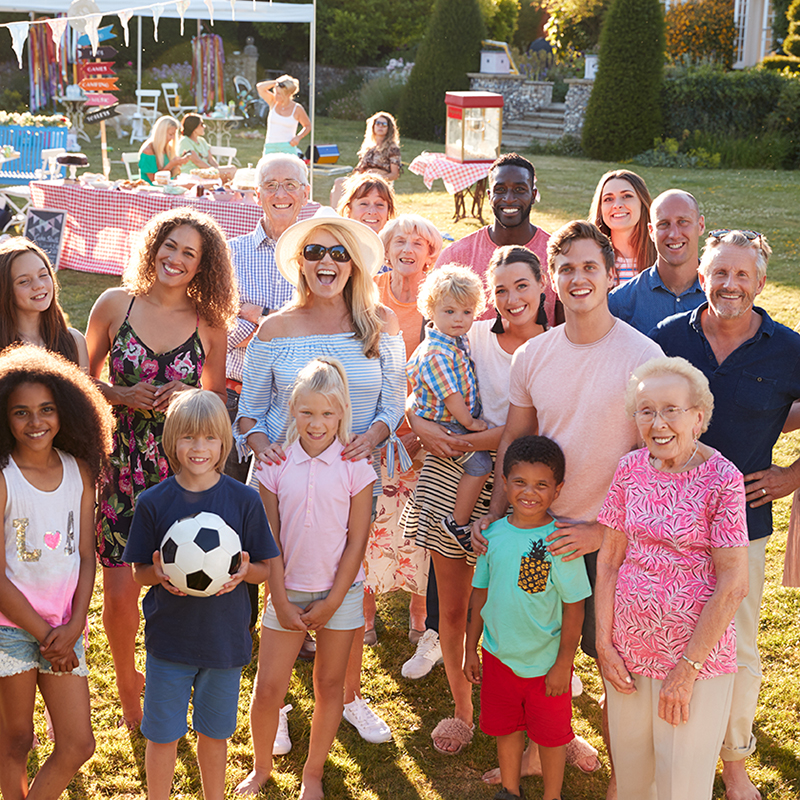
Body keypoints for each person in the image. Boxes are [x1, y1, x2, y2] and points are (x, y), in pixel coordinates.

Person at [471, 222, 662, 796]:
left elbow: (655, 462)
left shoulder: (642, 355)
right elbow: (515, 439)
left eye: (589, 267)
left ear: (610, 274)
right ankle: (532, 753)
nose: (578, 278)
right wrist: (498, 515)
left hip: (612, 541)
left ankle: (625, 777)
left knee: (614, 663)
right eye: (567, 269)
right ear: (553, 279)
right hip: (541, 537)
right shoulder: (533, 355)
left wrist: (605, 530)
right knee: (533, 647)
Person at [234, 206, 405, 746]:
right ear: (300, 263)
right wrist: (261, 444)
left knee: (345, 581)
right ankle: (276, 703)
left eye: (338, 252)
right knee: (284, 583)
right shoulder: (274, 328)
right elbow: (249, 410)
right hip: (282, 484)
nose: (326, 261)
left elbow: (393, 400)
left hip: (350, 479)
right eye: (313, 251)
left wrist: (373, 437)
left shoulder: (380, 324)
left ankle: (347, 695)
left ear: (353, 264)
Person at [650, 229, 800, 800]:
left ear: (761, 283)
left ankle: (734, 760)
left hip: (744, 521)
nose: (730, 284)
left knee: (735, 644)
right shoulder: (667, 338)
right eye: (720, 273)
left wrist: (790, 475)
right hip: (664, 521)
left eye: (742, 275)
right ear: (702, 277)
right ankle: (672, 742)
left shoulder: (788, 349)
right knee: (668, 633)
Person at [86, 207, 236, 730]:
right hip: (118, 464)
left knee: (179, 579)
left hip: (180, 471)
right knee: (122, 589)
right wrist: (122, 393)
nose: (175, 258)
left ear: (203, 266)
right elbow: (80, 385)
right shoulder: (113, 305)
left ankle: (175, 674)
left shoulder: (209, 324)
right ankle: (129, 682)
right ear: (153, 246)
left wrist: (189, 394)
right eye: (169, 245)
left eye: (189, 253)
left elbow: (215, 397)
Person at [399, 245, 549, 753]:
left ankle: (537, 723)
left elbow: (524, 432)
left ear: (541, 286)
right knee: (455, 608)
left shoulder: (555, 346)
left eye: (521, 286)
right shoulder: (472, 334)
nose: (511, 299)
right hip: (451, 481)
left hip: (522, 490)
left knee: (526, 606)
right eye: (501, 289)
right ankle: (463, 709)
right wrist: (419, 422)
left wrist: (467, 440)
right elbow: (419, 383)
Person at [596, 356, 749, 800]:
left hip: (694, 662)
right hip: (627, 652)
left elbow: (733, 583)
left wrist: (687, 669)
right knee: (632, 776)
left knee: (681, 786)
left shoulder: (723, 479)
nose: (657, 423)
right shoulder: (629, 469)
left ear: (698, 417)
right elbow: (608, 562)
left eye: (671, 410)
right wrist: (604, 645)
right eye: (646, 410)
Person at [123, 389, 279, 800]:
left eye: (210, 438)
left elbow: (263, 569)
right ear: (171, 440)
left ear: (224, 442)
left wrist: (247, 571)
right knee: (162, 735)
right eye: (189, 438)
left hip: (224, 644)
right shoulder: (154, 502)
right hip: (169, 642)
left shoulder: (244, 499)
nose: (199, 448)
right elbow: (139, 572)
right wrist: (156, 574)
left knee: (214, 736)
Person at [235, 359, 376, 799]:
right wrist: (277, 596)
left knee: (329, 685)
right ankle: (261, 768)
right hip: (286, 591)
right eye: (308, 412)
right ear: (293, 410)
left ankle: (312, 773)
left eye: (328, 414)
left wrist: (333, 602)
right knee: (269, 687)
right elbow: (269, 540)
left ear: (342, 414)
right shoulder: (274, 467)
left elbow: (357, 542)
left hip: (342, 594)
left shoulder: (357, 467)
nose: (318, 424)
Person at [0, 346, 113, 800]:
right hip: (12, 629)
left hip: (67, 629)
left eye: (47, 409)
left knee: (77, 743)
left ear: (66, 411)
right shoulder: (5, 477)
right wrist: (47, 635)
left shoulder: (79, 472)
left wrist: (73, 626)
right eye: (21, 412)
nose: (35, 422)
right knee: (16, 741)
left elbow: (87, 556)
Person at [465, 436, 591, 800]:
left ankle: (552, 795)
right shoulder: (492, 535)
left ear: (557, 490)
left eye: (541, 485)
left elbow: (574, 606)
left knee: (552, 736)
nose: (529, 493)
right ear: (504, 483)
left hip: (546, 663)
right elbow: (480, 593)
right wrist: (470, 649)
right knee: (506, 729)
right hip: (498, 655)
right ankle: (510, 790)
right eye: (519, 482)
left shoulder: (560, 541)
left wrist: (563, 663)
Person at [364, 214, 442, 646]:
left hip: (422, 431)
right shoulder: (366, 294)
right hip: (370, 424)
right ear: (387, 248)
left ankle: (418, 615)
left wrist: (416, 431)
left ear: (431, 254)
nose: (408, 248)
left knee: (419, 525)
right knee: (369, 519)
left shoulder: (436, 300)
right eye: (399, 241)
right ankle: (366, 614)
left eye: (419, 242)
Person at [225, 154, 312, 485]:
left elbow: (317, 329)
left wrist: (254, 314)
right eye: (271, 186)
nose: (281, 195)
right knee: (227, 501)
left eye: (290, 185)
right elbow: (221, 335)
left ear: (305, 194)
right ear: (257, 195)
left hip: (298, 404)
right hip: (233, 396)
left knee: (284, 507)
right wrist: (285, 324)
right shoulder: (230, 254)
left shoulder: (318, 255)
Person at [407, 265, 492, 553]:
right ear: (431, 310)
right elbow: (451, 395)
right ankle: (457, 522)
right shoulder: (437, 352)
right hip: (449, 423)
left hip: (453, 417)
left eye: (467, 312)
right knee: (480, 465)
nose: (459, 319)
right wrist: (470, 422)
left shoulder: (455, 341)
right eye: (450, 312)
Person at [433, 153, 558, 325]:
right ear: (489, 196)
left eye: (519, 190)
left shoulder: (555, 255)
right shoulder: (455, 257)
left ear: (533, 194)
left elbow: (568, 329)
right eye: (500, 190)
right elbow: (431, 324)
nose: (509, 199)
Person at [608, 190, 706, 333]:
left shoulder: (720, 294)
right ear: (651, 231)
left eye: (683, 222)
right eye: (664, 224)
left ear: (701, 225)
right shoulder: (620, 302)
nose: (674, 234)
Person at [0, 238, 88, 370]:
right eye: (24, 281)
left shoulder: (75, 341)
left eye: (43, 275)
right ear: (5, 290)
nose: (39, 286)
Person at [589, 169, 656, 286]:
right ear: (600, 208)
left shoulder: (663, 258)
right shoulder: (588, 259)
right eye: (608, 199)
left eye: (627, 196)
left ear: (642, 203)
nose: (617, 205)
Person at [330, 112, 402, 208]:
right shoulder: (368, 147)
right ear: (373, 126)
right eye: (378, 123)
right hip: (363, 179)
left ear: (389, 128)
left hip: (378, 183)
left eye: (384, 124)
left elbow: (394, 174)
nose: (380, 126)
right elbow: (359, 169)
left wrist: (377, 177)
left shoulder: (392, 148)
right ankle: (336, 216)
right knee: (339, 182)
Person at [257, 75, 311, 157]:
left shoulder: (297, 108)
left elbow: (307, 126)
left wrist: (298, 137)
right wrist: (277, 82)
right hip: (270, 147)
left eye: (279, 94)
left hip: (288, 148)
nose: (275, 96)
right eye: (275, 92)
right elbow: (260, 87)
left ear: (288, 95)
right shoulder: (273, 102)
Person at [176, 113, 236, 182]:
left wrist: (218, 169)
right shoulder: (185, 141)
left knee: (232, 169)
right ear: (194, 128)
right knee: (230, 172)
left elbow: (210, 159)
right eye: (201, 124)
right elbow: (197, 161)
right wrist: (214, 172)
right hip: (192, 174)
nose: (204, 127)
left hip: (206, 172)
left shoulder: (202, 140)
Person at [138, 116, 191, 184]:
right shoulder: (148, 151)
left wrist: (179, 163)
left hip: (168, 185)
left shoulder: (167, 148)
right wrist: (171, 164)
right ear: (161, 134)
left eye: (174, 135)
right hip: (151, 189)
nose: (173, 138)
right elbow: (155, 180)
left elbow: (171, 175)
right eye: (171, 134)